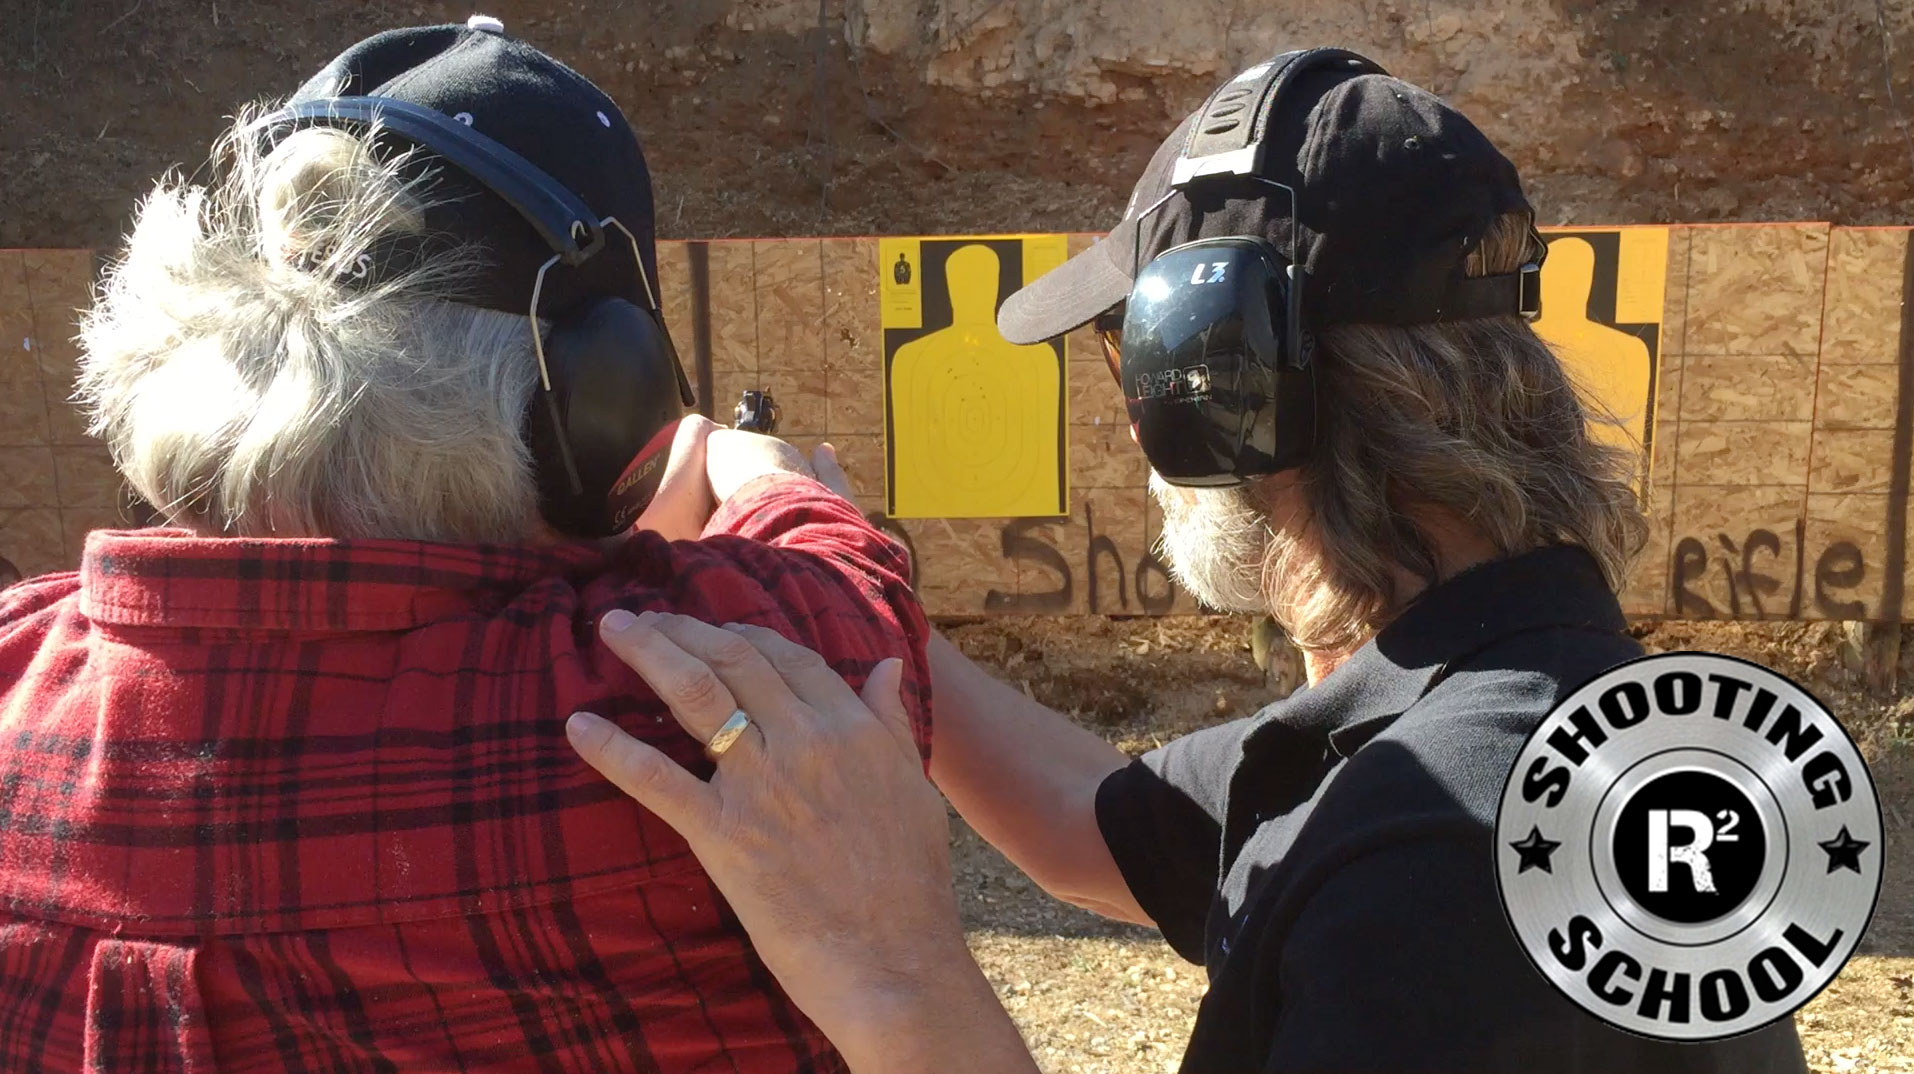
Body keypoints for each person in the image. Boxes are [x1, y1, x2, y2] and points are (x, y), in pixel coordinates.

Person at [567, 50, 1810, 1073]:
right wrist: (853, 592)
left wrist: (896, 973)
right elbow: (1084, 826)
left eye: (1127, 352)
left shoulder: (1437, 869)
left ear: (1216, 385)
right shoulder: (1479, 707)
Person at [0, 19, 926, 1073]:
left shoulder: (16, 665)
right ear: (601, 409)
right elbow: (851, 599)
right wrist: (753, 479)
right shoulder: (672, 706)